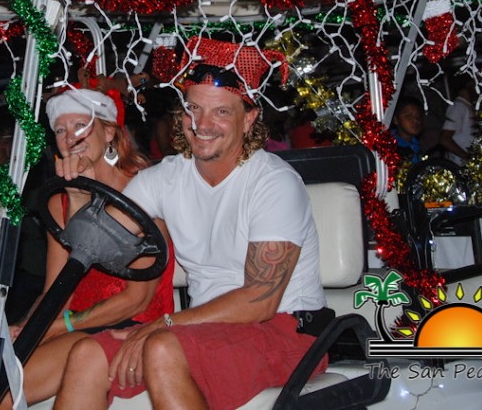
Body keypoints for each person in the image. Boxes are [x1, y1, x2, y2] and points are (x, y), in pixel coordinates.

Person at [54, 37, 326, 410]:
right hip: (199, 329)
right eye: (193, 108)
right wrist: (80, 194)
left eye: (221, 112)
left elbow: (259, 301)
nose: (202, 124)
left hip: (286, 331)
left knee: (162, 347)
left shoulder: (273, 182)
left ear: (248, 119)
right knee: (88, 353)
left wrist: (166, 323)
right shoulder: (164, 178)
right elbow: (94, 247)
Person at [0, 87, 175, 409]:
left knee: (2, 395)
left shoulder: (144, 190)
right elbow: (57, 290)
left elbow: (136, 300)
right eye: (60, 130)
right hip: (73, 325)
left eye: (80, 125)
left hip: (129, 325)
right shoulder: (59, 201)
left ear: (109, 132)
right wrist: (27, 328)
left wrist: (56, 328)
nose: (70, 137)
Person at [439, 77, 476, 166]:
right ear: (469, 84)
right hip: (459, 165)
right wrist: (468, 158)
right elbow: (444, 139)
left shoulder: (467, 106)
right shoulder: (458, 107)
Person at [391, 96, 425, 164]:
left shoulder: (416, 145)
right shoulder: (391, 147)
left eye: (418, 116)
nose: (415, 120)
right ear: (396, 120)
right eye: (408, 116)